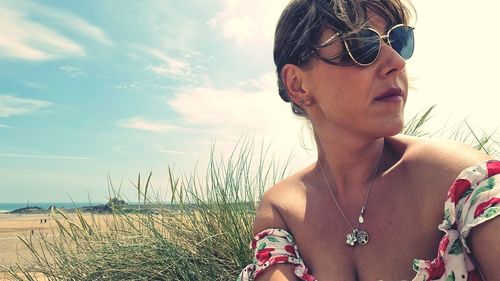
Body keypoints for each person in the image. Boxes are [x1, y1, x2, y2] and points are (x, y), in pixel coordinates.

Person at [238, 0, 500, 280]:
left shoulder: (461, 181)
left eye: (399, 41)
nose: (397, 63)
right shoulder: (283, 210)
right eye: (361, 44)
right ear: (297, 84)